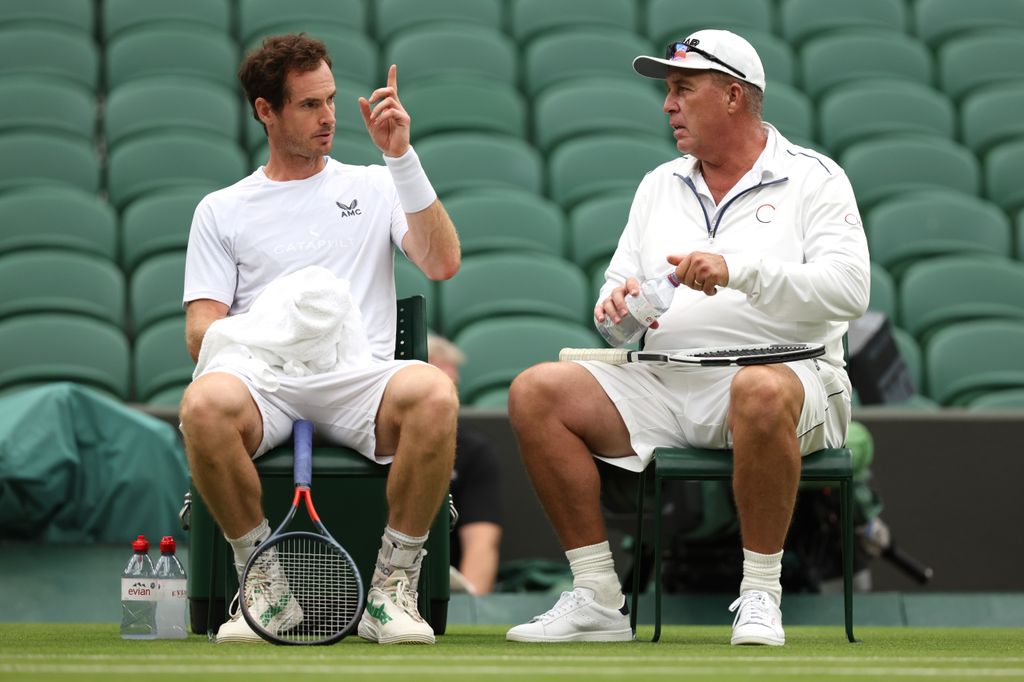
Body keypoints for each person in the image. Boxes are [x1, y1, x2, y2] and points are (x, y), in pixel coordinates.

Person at [505, 29, 870, 645]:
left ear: (733, 96)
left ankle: (759, 593)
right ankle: (596, 596)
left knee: (756, 391)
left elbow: (848, 292)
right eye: (668, 91)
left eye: (682, 89)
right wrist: (618, 308)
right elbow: (614, 304)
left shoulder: (816, 178)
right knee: (537, 390)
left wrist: (738, 271)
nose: (667, 104)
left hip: (793, 377)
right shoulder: (658, 184)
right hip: (666, 378)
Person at [179, 34, 461, 645]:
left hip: (358, 377)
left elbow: (441, 263)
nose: (329, 117)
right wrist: (282, 328)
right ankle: (265, 588)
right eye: (308, 105)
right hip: (267, 383)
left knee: (434, 393)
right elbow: (202, 334)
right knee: (202, 406)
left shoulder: (377, 184)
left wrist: (402, 158)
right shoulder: (221, 210)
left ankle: (389, 592)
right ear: (266, 111)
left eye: (331, 100)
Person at [427, 333, 503, 595]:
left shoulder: (473, 450)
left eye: (452, 389)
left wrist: (467, 606)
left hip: (441, 592)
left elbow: (481, 542)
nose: (447, 401)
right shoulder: (368, 441)